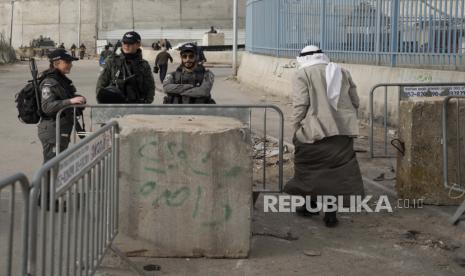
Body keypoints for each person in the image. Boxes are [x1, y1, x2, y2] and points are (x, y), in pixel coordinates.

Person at [283, 45, 365, 228]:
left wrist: (295, 128)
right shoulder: (342, 71)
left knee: (310, 171)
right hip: (342, 132)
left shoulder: (302, 75)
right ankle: (330, 214)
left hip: (314, 132)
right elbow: (356, 102)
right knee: (335, 173)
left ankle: (309, 205)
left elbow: (301, 105)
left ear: (303, 59)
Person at [38, 49, 86, 163]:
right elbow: (47, 107)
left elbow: (63, 97)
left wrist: (77, 99)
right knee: (51, 166)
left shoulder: (61, 80)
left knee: (57, 166)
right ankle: (46, 182)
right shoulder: (49, 82)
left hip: (60, 129)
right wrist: (70, 101)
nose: (71, 65)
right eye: (67, 62)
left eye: (71, 62)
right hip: (53, 130)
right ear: (56, 63)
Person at [96, 31, 155, 104]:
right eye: (124, 43)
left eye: (130, 43)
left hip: (137, 106)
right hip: (115, 107)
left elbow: (150, 87)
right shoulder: (111, 61)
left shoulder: (143, 64)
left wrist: (146, 103)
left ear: (138, 45)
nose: (126, 46)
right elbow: (101, 85)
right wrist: (103, 104)